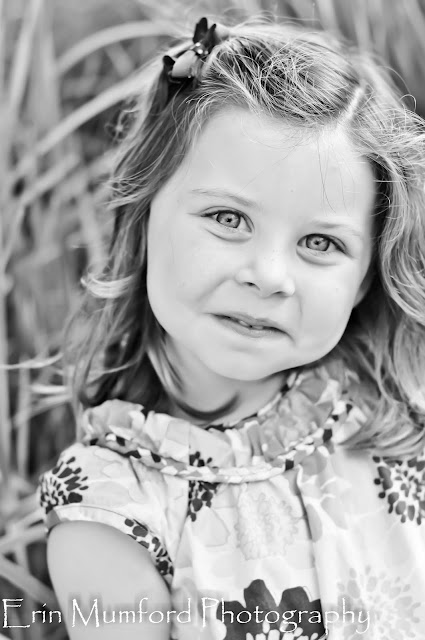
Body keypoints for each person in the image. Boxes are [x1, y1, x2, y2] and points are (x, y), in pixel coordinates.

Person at [38, 15, 425, 640]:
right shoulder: (113, 506)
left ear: (363, 278)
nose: (269, 277)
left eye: (320, 242)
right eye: (227, 218)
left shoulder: (397, 416)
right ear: (143, 214)